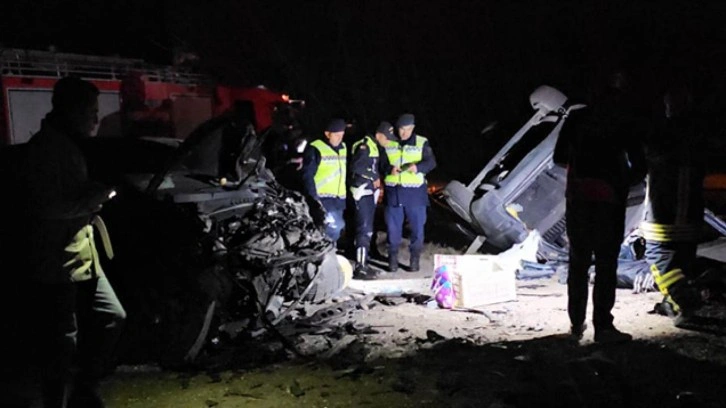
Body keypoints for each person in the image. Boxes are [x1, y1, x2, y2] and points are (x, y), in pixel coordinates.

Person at [22, 76, 127, 407]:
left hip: (81, 254)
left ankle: (84, 388)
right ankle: (61, 399)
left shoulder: (66, 144)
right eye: (90, 111)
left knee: (111, 316)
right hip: (57, 260)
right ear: (71, 110)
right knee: (62, 340)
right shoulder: (46, 149)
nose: (96, 119)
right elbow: (45, 206)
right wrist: (92, 200)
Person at [553, 71, 646, 343]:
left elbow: (559, 156)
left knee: (578, 263)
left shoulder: (577, 118)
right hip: (610, 202)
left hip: (579, 199)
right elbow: (640, 165)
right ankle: (603, 327)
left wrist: (582, 169)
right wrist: (619, 182)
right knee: (606, 264)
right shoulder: (623, 121)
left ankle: (576, 324)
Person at [641, 80, 707, 323]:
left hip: (664, 212)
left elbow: (648, 160)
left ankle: (685, 298)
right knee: (682, 262)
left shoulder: (664, 133)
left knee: (658, 258)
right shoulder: (698, 134)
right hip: (692, 213)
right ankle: (673, 304)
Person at [381, 114, 437, 272]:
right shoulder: (389, 142)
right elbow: (381, 163)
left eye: (407, 129)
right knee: (393, 230)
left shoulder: (421, 142)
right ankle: (392, 260)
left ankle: (414, 260)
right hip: (394, 194)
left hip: (415, 195)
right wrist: (389, 169)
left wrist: (417, 167)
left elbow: (431, 162)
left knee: (417, 230)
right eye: (401, 129)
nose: (404, 133)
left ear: (412, 128)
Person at [349, 121, 394, 279]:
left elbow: (377, 165)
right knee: (364, 229)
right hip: (362, 192)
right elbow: (357, 167)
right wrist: (374, 176)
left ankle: (365, 263)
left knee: (368, 228)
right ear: (378, 135)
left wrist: (389, 169)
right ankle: (360, 268)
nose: (388, 141)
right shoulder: (365, 146)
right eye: (387, 138)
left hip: (369, 192)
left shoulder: (375, 146)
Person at [302, 118, 348, 243]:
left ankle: (330, 250)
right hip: (323, 199)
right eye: (337, 135)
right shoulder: (316, 148)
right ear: (327, 134)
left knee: (336, 229)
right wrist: (313, 198)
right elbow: (308, 175)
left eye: (342, 135)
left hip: (339, 200)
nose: (340, 139)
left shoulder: (343, 148)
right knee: (334, 227)